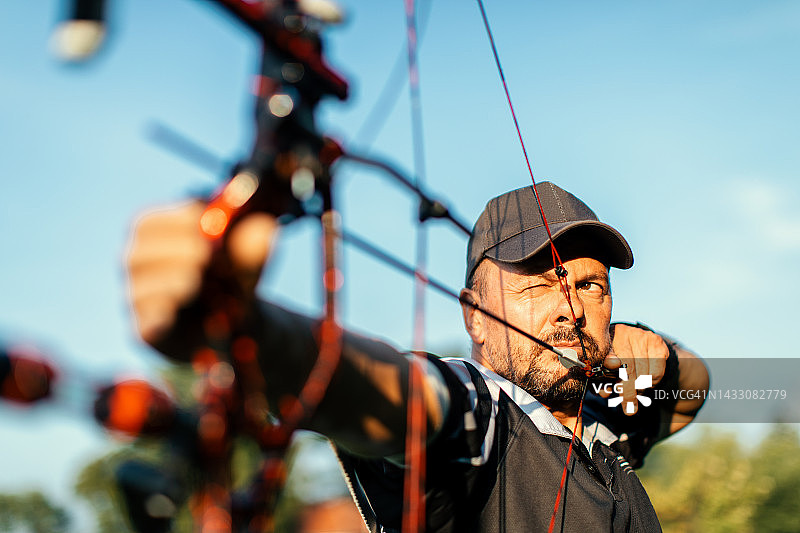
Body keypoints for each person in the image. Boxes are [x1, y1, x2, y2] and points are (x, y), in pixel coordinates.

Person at [126, 181, 709, 532]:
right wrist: (253, 328)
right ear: (475, 317)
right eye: (538, 285)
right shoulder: (480, 420)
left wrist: (657, 354)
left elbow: (696, 392)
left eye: (590, 287)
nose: (572, 310)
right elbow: (392, 394)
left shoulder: (608, 422)